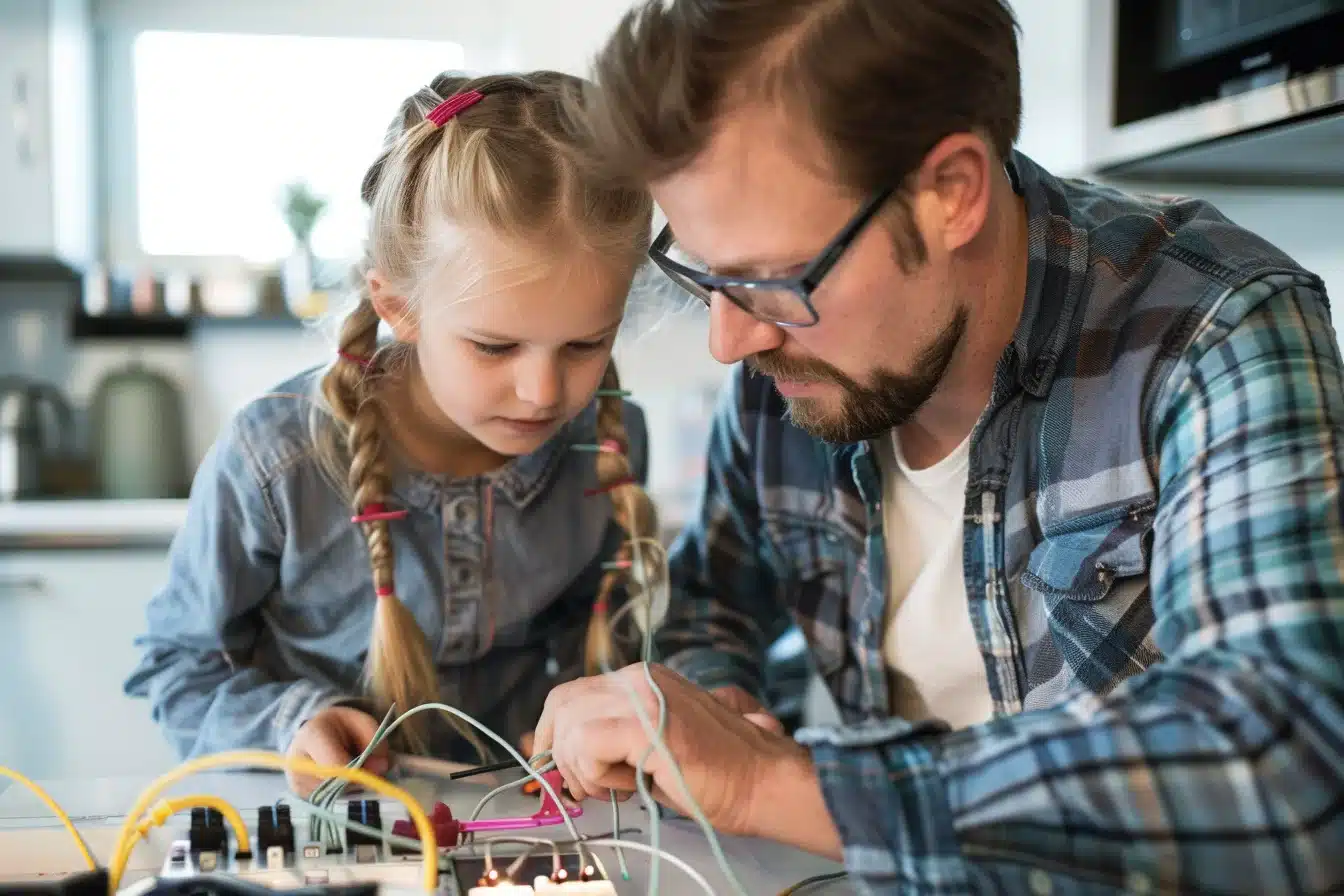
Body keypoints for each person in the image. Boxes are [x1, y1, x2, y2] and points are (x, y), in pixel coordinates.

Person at [532, 2, 1344, 892]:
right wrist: (712, 704)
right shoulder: (786, 368)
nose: (731, 343)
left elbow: (1289, 764)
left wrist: (782, 786)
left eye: (770, 279)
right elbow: (712, 608)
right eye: (705, 275)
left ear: (952, 191)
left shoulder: (1214, 332)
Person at [125, 71, 658, 796]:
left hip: (521, 831)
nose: (542, 392)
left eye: (585, 345)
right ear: (398, 306)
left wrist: (597, 717)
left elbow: (601, 639)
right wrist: (289, 723)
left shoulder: (608, 447)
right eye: (494, 347)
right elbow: (174, 667)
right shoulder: (276, 463)